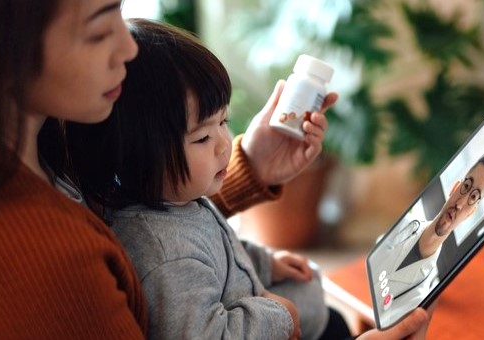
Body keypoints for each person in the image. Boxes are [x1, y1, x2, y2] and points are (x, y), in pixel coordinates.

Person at [0, 0, 429, 338]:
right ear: (2, 50)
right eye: (100, 30)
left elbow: (153, 220)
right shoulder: (35, 264)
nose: (128, 50)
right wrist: (282, 316)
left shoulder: (48, 147)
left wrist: (248, 166)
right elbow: (158, 257)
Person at [62, 19, 347, 340]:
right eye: (201, 138)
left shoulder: (178, 201)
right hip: (264, 325)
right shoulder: (165, 255)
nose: (225, 143)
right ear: (137, 154)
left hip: (260, 309)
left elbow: (217, 247)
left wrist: (264, 263)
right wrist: (280, 315)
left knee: (323, 303)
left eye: (223, 121)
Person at [380, 145, 484, 314]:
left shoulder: (424, 293)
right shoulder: (398, 229)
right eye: (466, 186)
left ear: (471, 213)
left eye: (474, 197)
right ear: (455, 188)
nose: (460, 203)